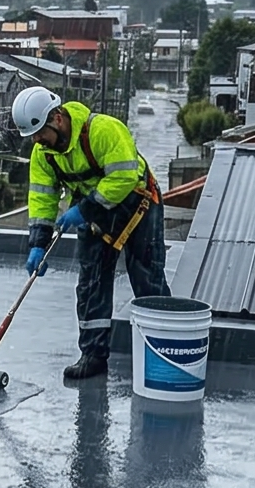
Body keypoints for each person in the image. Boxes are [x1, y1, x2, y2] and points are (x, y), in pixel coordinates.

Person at [12, 85, 166, 381]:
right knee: (91, 281)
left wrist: (84, 211)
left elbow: (123, 177)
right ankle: (93, 355)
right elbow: (42, 197)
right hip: (93, 208)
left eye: (40, 132)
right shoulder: (44, 153)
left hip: (138, 202)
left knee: (146, 275)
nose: (37, 140)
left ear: (57, 118)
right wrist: (38, 243)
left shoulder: (104, 130)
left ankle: (162, 347)